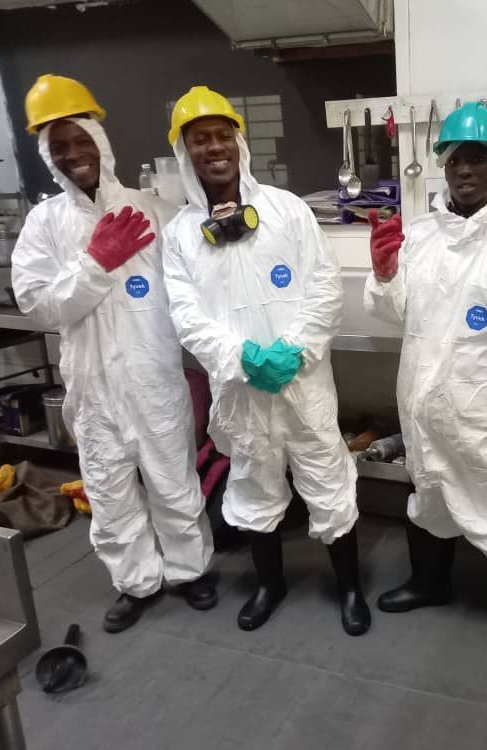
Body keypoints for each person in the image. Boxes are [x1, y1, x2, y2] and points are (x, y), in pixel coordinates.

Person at [161, 86, 370, 637]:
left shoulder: (287, 210)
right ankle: (268, 585)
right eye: (199, 140)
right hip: (241, 392)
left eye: (221, 135)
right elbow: (185, 314)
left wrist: (294, 348)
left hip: (302, 386)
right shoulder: (180, 235)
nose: (213, 148)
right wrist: (240, 357)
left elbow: (325, 288)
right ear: (186, 154)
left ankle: (349, 587)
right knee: (253, 487)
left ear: (238, 141)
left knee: (328, 481)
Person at [12, 74, 216, 633]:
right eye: (60, 147)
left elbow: (193, 284)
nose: (74, 154)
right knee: (110, 490)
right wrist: (96, 263)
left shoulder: (154, 211)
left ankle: (190, 570)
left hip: (153, 377)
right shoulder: (44, 225)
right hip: (94, 388)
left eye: (81, 141)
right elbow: (38, 308)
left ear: (101, 143)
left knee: (174, 481)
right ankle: (135, 582)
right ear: (49, 159)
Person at [365, 102, 487, 658]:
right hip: (418, 400)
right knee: (426, 492)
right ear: (442, 167)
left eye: (478, 158)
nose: (465, 170)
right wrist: (383, 274)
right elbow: (392, 311)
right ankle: (429, 583)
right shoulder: (419, 237)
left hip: (475, 403)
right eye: (456, 159)